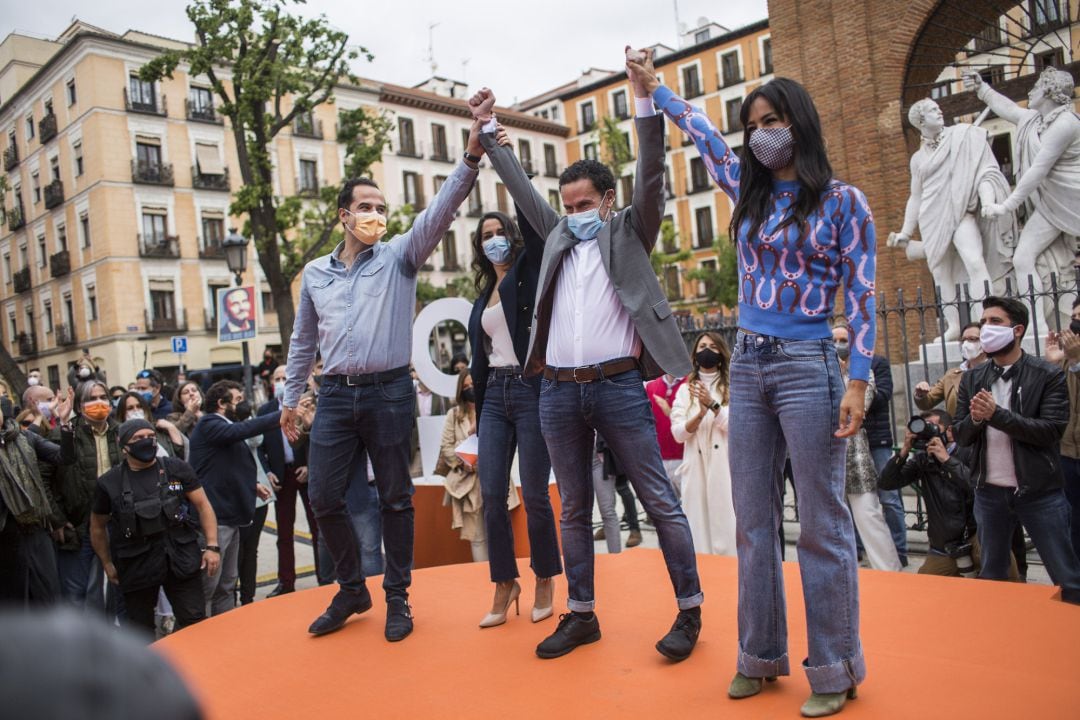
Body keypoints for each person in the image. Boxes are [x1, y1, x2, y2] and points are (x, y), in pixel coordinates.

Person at [630, 55, 875, 714]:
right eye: (754, 123)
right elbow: (701, 132)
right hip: (749, 363)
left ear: (800, 123)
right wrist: (656, 91)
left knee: (822, 522)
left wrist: (859, 381)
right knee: (753, 522)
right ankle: (759, 657)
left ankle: (834, 667)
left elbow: (864, 295)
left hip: (810, 363)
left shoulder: (844, 202)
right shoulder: (746, 187)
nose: (762, 131)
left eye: (773, 119)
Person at [469, 51, 703, 663]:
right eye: (566, 207)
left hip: (619, 386)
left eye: (584, 205)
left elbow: (651, 174)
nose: (574, 215)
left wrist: (644, 98)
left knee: (657, 498)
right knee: (571, 507)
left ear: (606, 201)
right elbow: (519, 189)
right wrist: (490, 133)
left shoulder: (630, 231)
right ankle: (580, 615)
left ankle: (689, 609)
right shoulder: (553, 240)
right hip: (556, 390)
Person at [281, 123, 483, 641]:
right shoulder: (316, 275)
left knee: (395, 498)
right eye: (365, 206)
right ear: (344, 216)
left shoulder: (399, 256)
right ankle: (352, 589)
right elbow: (303, 343)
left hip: (390, 392)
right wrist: (291, 398)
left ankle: (397, 597)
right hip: (332, 397)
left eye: (381, 208)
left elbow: (439, 213)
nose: (375, 215)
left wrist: (470, 158)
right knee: (324, 497)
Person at [466, 200, 561, 629]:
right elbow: (479, 357)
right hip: (492, 398)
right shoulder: (481, 295)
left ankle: (544, 576)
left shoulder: (526, 274)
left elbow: (537, 234)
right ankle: (505, 582)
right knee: (490, 495)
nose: (493, 241)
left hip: (529, 389)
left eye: (498, 232)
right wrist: (474, 412)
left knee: (536, 494)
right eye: (485, 236)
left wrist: (505, 163)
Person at [953, 296, 1080, 604]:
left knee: (1066, 577)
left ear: (1018, 329)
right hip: (989, 492)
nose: (986, 328)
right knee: (993, 575)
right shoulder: (972, 377)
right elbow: (960, 433)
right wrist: (976, 418)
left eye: (995, 322)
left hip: (1039, 492)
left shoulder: (1046, 374)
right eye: (983, 322)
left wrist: (997, 415)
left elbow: (1050, 431)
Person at [886, 97, 1012, 340]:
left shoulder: (961, 135)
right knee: (942, 275)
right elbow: (916, 197)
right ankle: (954, 326)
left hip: (960, 211)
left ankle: (984, 319)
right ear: (921, 120)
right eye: (933, 110)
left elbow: (979, 157)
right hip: (931, 217)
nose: (939, 112)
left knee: (975, 262)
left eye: (938, 107)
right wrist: (905, 231)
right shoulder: (918, 159)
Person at [968, 68, 1080, 328]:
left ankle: (1054, 320)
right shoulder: (1036, 120)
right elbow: (1008, 108)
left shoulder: (1065, 124)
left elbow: (1037, 171)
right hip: (1050, 203)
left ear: (1049, 92)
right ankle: (1039, 324)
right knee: (1024, 258)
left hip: (1069, 201)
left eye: (1037, 86)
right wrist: (982, 89)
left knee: (1025, 258)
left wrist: (1005, 206)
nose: (1031, 91)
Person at [89, 419, 221, 635]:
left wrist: (212, 546)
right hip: (137, 566)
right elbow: (97, 526)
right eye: (138, 438)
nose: (146, 442)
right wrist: (107, 563)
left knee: (194, 622)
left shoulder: (174, 472)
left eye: (150, 436)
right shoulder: (109, 483)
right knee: (139, 631)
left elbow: (202, 504)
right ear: (124, 445)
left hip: (180, 558)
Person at [188, 381, 279, 616]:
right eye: (237, 400)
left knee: (227, 584)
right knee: (208, 586)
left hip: (231, 516)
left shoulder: (224, 425)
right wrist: (282, 414)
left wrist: (252, 485)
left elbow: (228, 467)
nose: (242, 404)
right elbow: (241, 432)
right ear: (221, 404)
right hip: (215, 519)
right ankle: (201, 637)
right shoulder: (210, 423)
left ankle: (225, 633)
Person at [879, 410, 985, 577]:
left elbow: (976, 485)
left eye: (932, 427)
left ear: (949, 431)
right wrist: (904, 451)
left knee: (1004, 573)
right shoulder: (923, 459)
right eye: (923, 428)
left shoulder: (968, 451)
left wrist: (947, 460)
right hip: (944, 546)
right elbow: (886, 483)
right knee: (923, 590)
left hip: (976, 536)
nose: (926, 433)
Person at [46, 381, 119, 610]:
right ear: (79, 404)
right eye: (91, 398)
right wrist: (57, 518)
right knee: (77, 593)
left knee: (114, 588)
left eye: (102, 397)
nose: (98, 403)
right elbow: (45, 480)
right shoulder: (63, 434)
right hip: (77, 524)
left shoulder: (121, 432)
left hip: (115, 521)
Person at [835, 325, 900, 572]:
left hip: (854, 458)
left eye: (843, 340)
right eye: (835, 340)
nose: (838, 345)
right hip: (822, 458)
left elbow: (862, 404)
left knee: (869, 515)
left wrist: (844, 378)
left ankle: (889, 570)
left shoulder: (862, 375)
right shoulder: (817, 373)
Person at [0, 391, 74, 605]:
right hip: (5, 535)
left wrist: (65, 423)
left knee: (48, 596)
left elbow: (65, 457)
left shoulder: (25, 437)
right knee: (13, 604)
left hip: (35, 529)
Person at [670, 332, 735, 556]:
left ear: (721, 353)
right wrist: (699, 413)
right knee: (698, 525)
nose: (707, 350)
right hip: (695, 466)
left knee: (726, 523)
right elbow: (678, 433)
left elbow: (735, 426)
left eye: (713, 346)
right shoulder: (684, 390)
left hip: (724, 466)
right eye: (702, 346)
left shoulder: (732, 386)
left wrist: (713, 405)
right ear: (695, 354)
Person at [260, 366, 320, 596]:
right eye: (278, 378)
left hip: (304, 472)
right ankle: (286, 582)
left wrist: (310, 467)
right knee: (284, 532)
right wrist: (267, 472)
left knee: (318, 528)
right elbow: (259, 448)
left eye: (286, 378)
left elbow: (314, 439)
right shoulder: (265, 410)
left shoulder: (307, 406)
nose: (282, 382)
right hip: (281, 476)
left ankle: (325, 577)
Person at [439, 371, 493, 564]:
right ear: (461, 390)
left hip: (492, 478)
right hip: (467, 484)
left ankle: (502, 575)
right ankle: (483, 577)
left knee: (496, 531)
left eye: (473, 384)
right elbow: (446, 447)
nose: (471, 389)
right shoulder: (453, 415)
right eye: (466, 386)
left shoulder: (491, 410)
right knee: (477, 536)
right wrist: (464, 461)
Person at [1047, 302, 1080, 558]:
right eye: (1074, 316)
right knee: (1073, 521)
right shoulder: (1068, 359)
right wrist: (1055, 365)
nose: (1075, 323)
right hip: (1068, 452)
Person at [914, 322, 986, 417]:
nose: (966, 344)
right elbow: (928, 402)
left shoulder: (995, 369)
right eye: (963, 340)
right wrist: (921, 394)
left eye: (972, 339)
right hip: (960, 429)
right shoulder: (952, 375)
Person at [645, 373, 685, 496]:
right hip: (659, 459)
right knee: (668, 508)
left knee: (691, 506)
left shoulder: (691, 383)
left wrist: (670, 412)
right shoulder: (651, 386)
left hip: (686, 457)